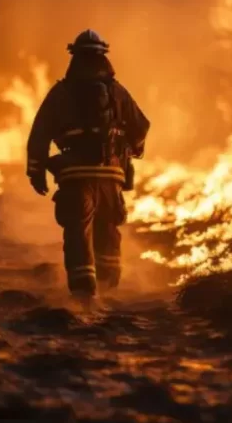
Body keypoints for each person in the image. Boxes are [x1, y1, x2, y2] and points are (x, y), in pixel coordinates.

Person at [26, 30, 150, 299]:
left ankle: (84, 298)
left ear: (74, 57)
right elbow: (141, 126)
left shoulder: (60, 92)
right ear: (104, 57)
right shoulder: (118, 92)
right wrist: (131, 149)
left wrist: (36, 171)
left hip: (74, 176)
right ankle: (108, 288)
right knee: (108, 229)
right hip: (111, 175)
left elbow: (39, 134)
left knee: (77, 232)